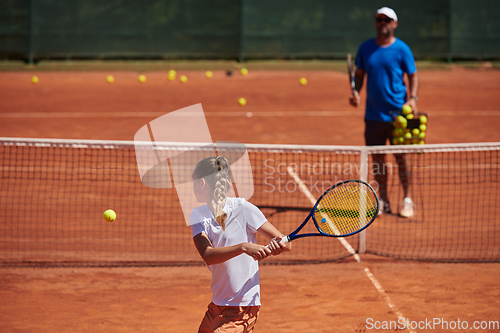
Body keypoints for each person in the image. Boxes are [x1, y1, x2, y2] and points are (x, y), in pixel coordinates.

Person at [190, 156, 290, 333]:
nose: (192, 187)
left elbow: (283, 242)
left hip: (243, 306)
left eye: (194, 182)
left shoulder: (243, 209)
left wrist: (278, 245)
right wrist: (244, 247)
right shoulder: (197, 215)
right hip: (218, 304)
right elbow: (207, 255)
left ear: (203, 183)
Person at [349, 6, 418, 218]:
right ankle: (383, 200)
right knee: (378, 159)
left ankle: (407, 199)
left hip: (400, 115)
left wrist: (413, 99)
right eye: (379, 19)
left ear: (394, 24)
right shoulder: (366, 48)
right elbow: (359, 75)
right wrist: (356, 92)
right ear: (376, 22)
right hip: (373, 116)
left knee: (402, 158)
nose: (383, 23)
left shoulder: (402, 49)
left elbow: (413, 76)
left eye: (387, 20)